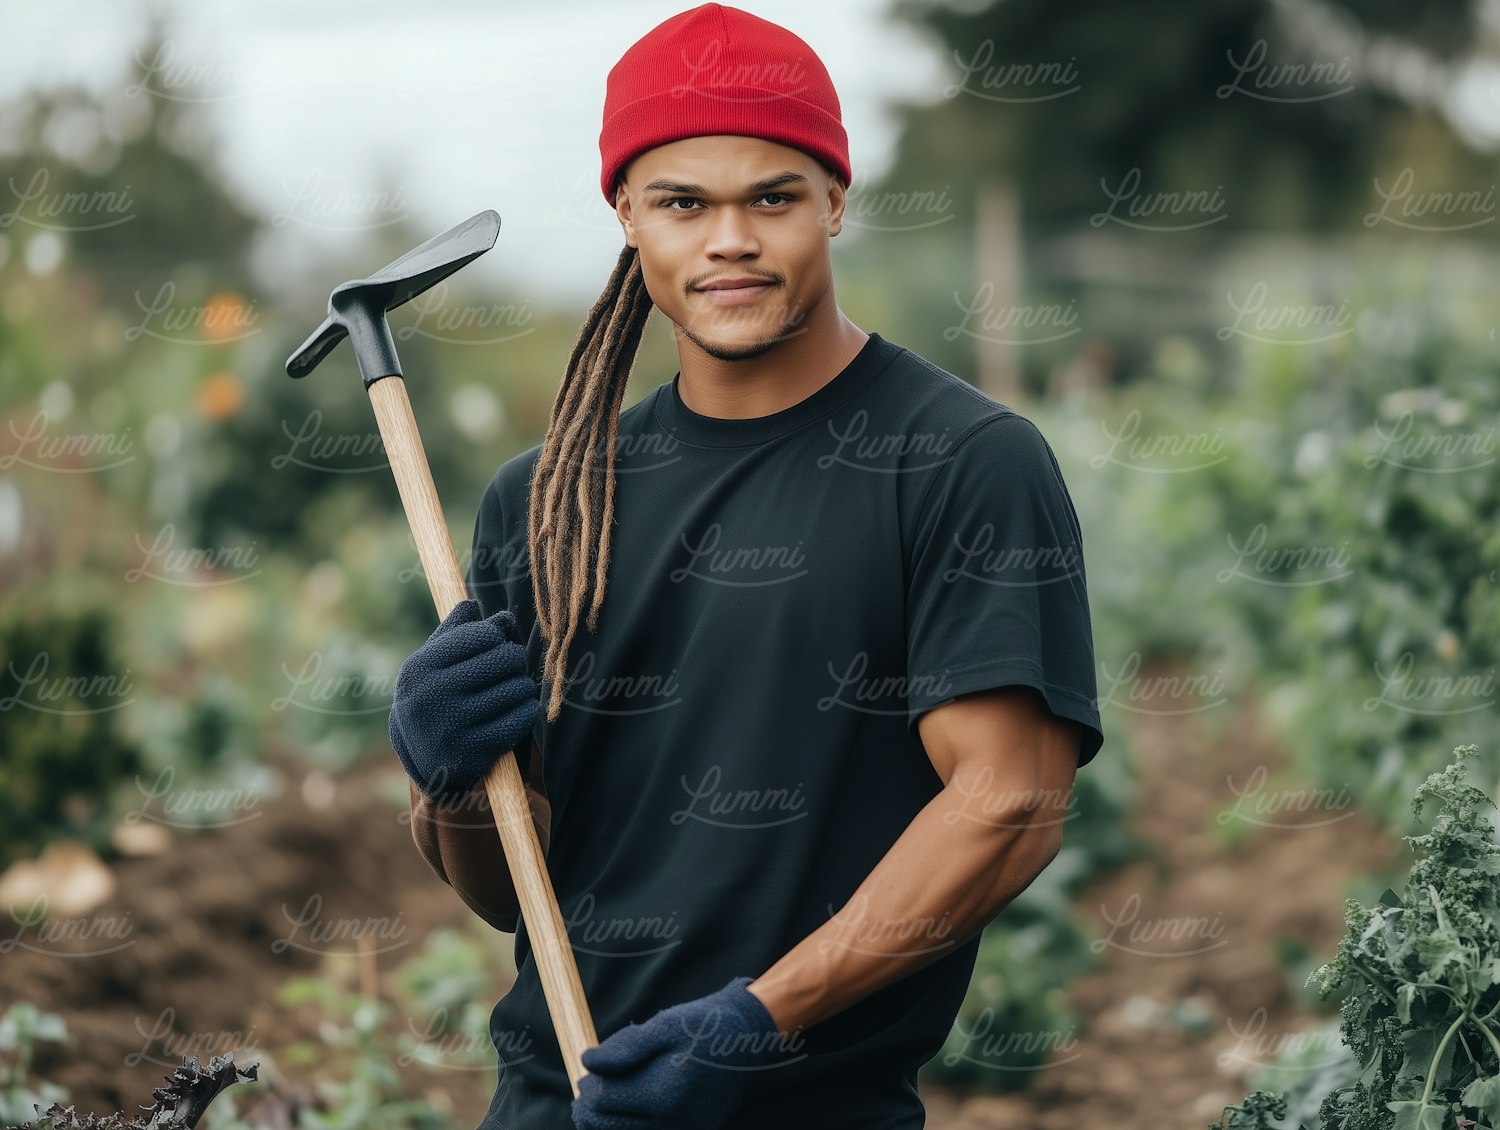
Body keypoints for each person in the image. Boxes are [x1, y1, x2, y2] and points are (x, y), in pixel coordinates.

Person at [389, 4, 1105, 1128]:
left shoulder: (962, 462)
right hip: (561, 1100)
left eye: (770, 195)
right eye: (682, 201)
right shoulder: (545, 500)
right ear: (625, 213)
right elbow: (504, 891)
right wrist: (451, 783)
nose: (729, 238)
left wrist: (757, 1021)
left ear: (833, 200)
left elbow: (1010, 800)